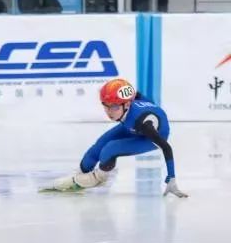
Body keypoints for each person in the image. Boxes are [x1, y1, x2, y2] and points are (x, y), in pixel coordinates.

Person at [50, 78, 187, 197]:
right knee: (99, 145)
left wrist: (172, 178)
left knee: (111, 148)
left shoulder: (142, 122)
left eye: (114, 107)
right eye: (106, 106)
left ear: (127, 104)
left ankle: (99, 178)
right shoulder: (127, 104)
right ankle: (80, 172)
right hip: (131, 125)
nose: (109, 112)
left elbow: (166, 147)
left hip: (150, 136)